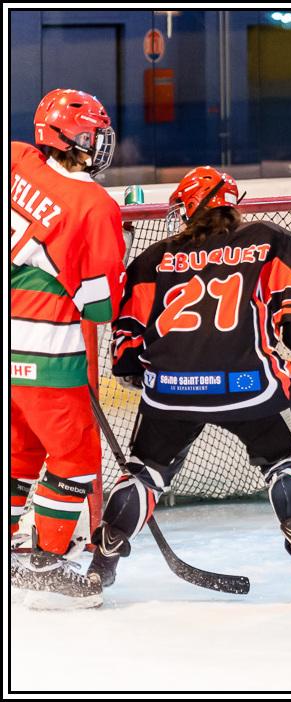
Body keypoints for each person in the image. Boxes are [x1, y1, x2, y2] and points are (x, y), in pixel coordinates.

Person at [86, 166, 291, 602]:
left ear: (187, 210)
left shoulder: (153, 257)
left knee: (145, 472)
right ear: (232, 203)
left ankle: (101, 565)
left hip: (169, 389)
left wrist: (142, 372)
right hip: (249, 385)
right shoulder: (268, 239)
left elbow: (127, 349)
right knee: (285, 461)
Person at [10, 88, 126, 609]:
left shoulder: (16, 157)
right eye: (89, 136)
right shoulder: (93, 205)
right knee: (77, 458)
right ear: (68, 139)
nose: (97, 144)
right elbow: (99, 306)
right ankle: (46, 565)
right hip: (44, 348)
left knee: (22, 452)